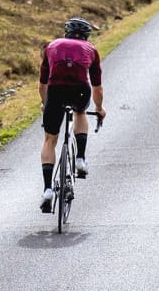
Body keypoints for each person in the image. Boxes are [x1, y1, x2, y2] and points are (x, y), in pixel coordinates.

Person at [38, 16, 105, 212]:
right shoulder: (91, 50)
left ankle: (48, 190)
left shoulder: (52, 46)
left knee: (50, 139)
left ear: (65, 32)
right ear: (86, 36)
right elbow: (97, 88)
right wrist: (100, 109)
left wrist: (45, 104)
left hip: (55, 91)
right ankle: (80, 159)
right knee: (80, 112)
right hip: (80, 90)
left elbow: (42, 85)